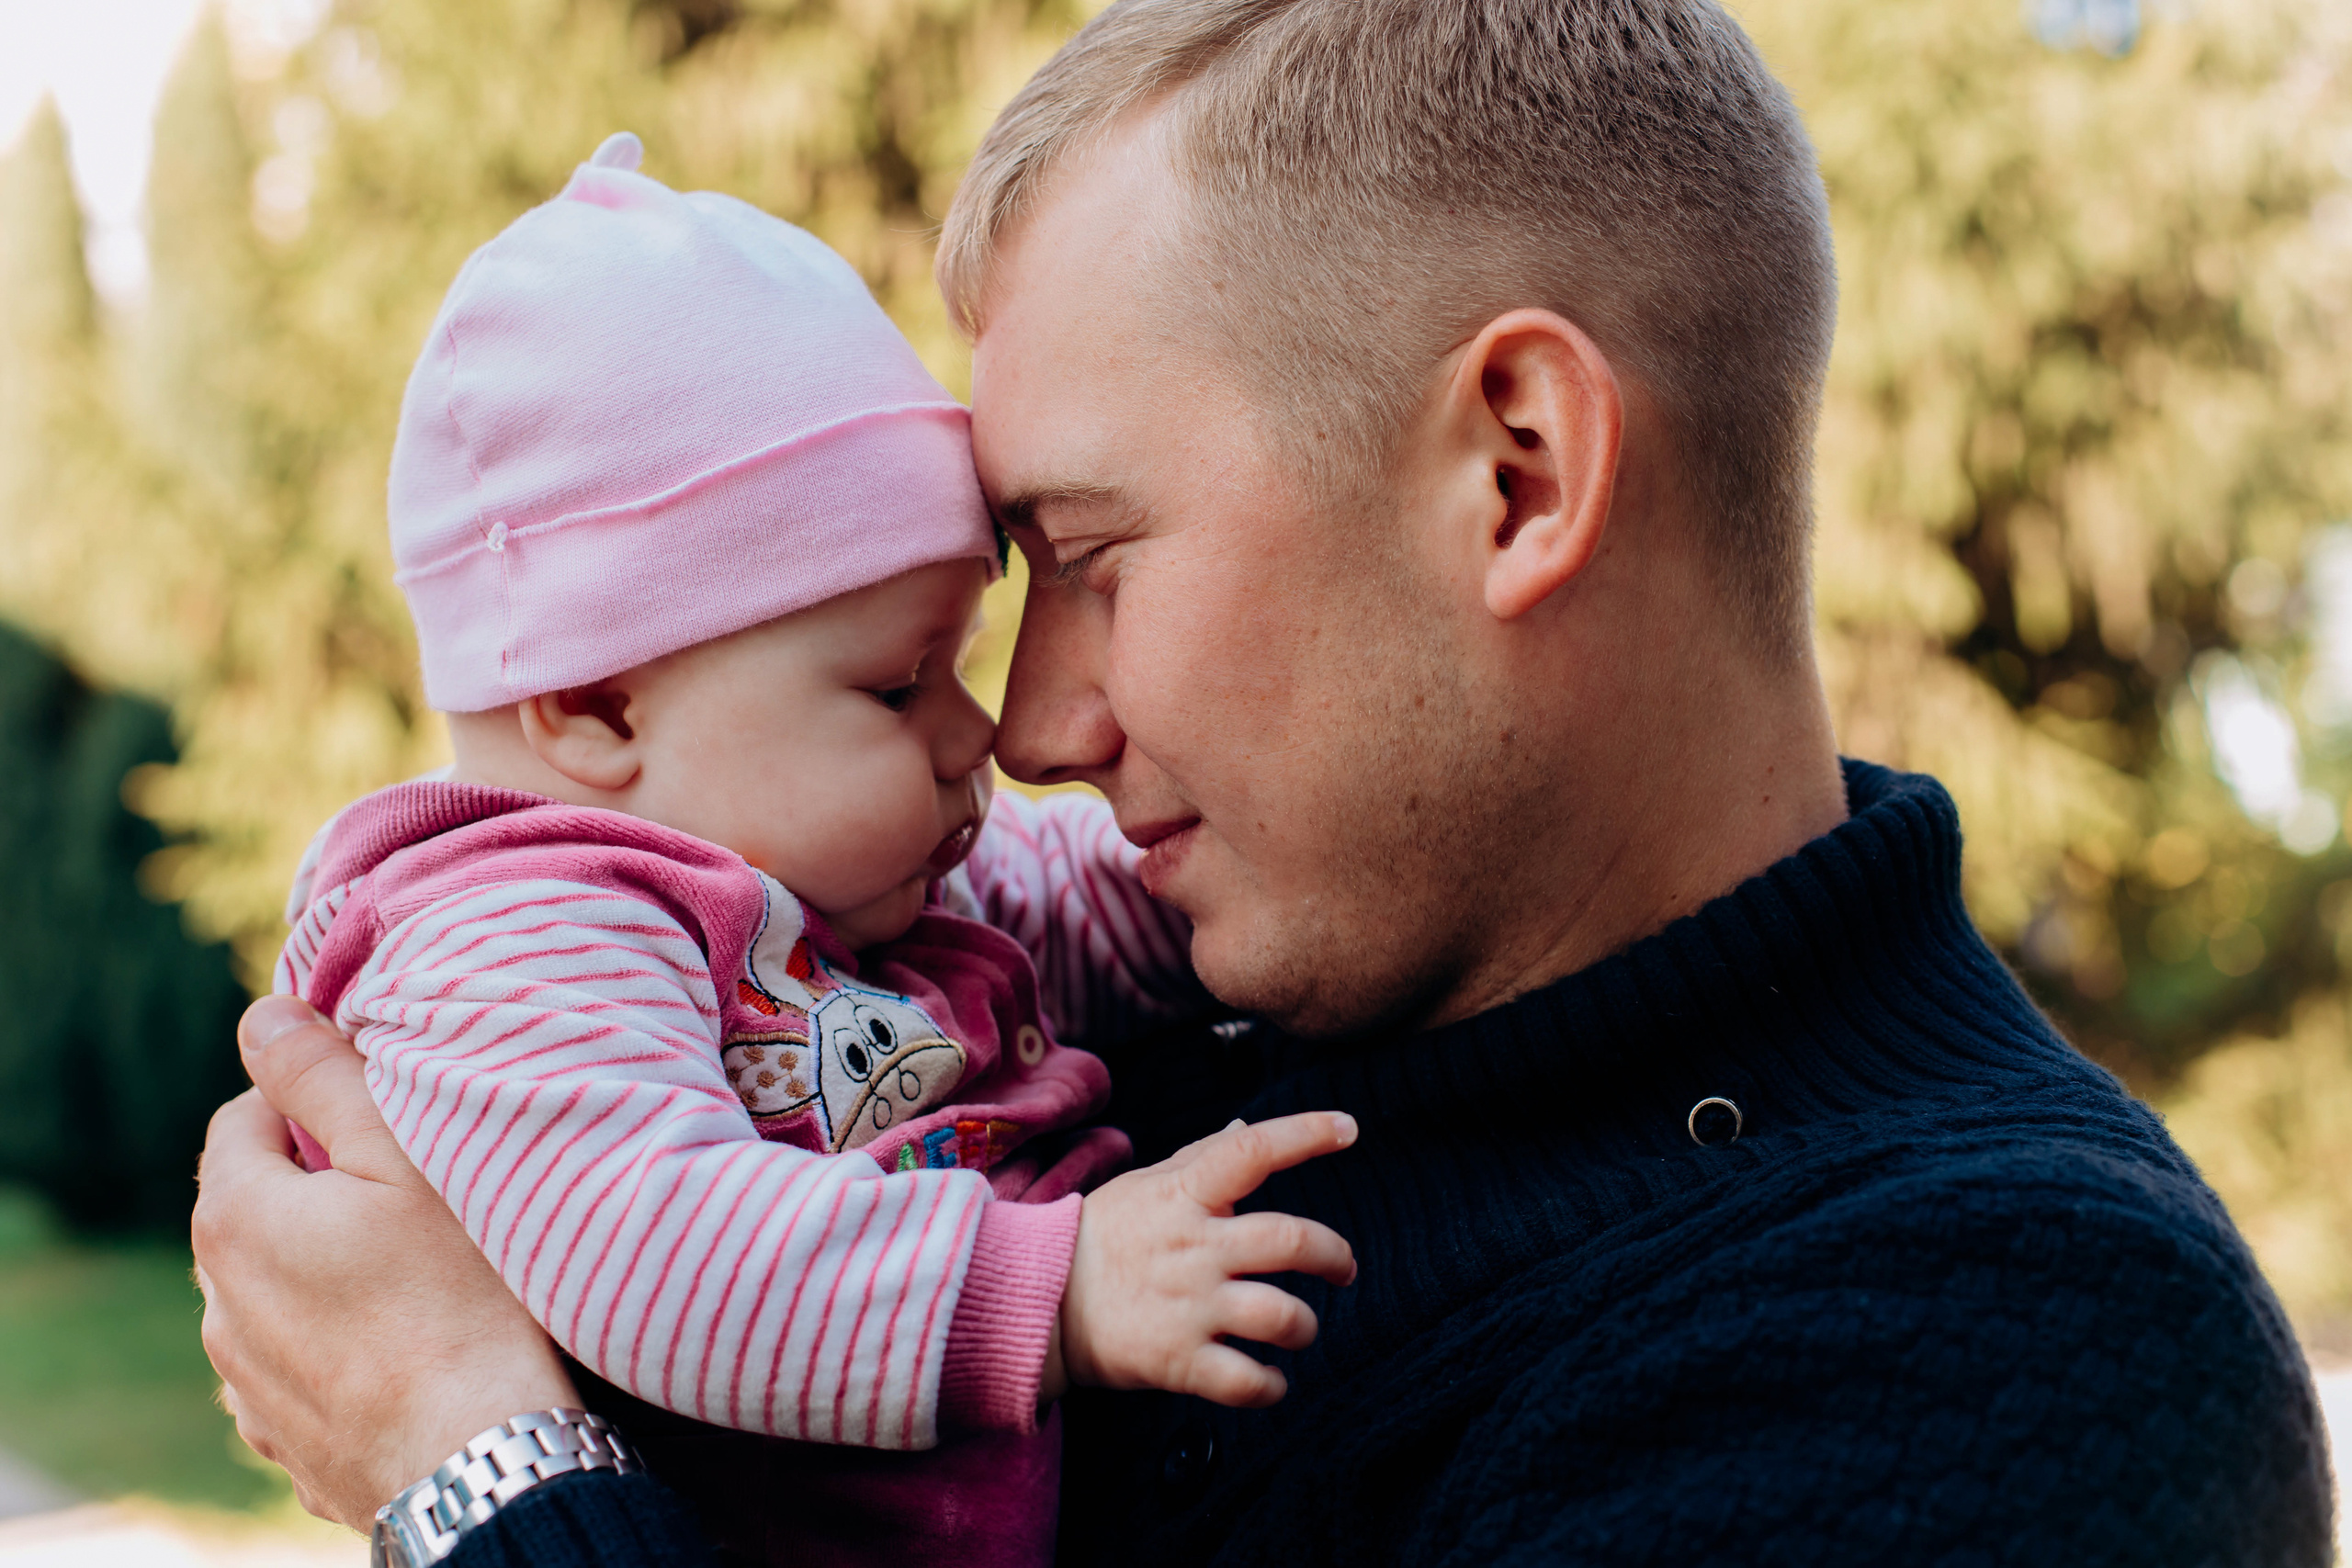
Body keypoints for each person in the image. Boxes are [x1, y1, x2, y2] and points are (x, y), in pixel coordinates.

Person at [195, 0, 2335, 1562]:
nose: (1027, 725)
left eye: (1094, 561)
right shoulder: (1228, 1016)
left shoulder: (2002, 1351)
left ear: (1514, 475)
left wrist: (473, 1456)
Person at [250, 129, 1358, 1567]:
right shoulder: (504, 936)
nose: (983, 734)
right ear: (592, 708)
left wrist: (1275, 843)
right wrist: (1061, 1289)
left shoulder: (873, 879)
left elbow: (1087, 905)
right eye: (899, 685)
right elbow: (658, 1249)